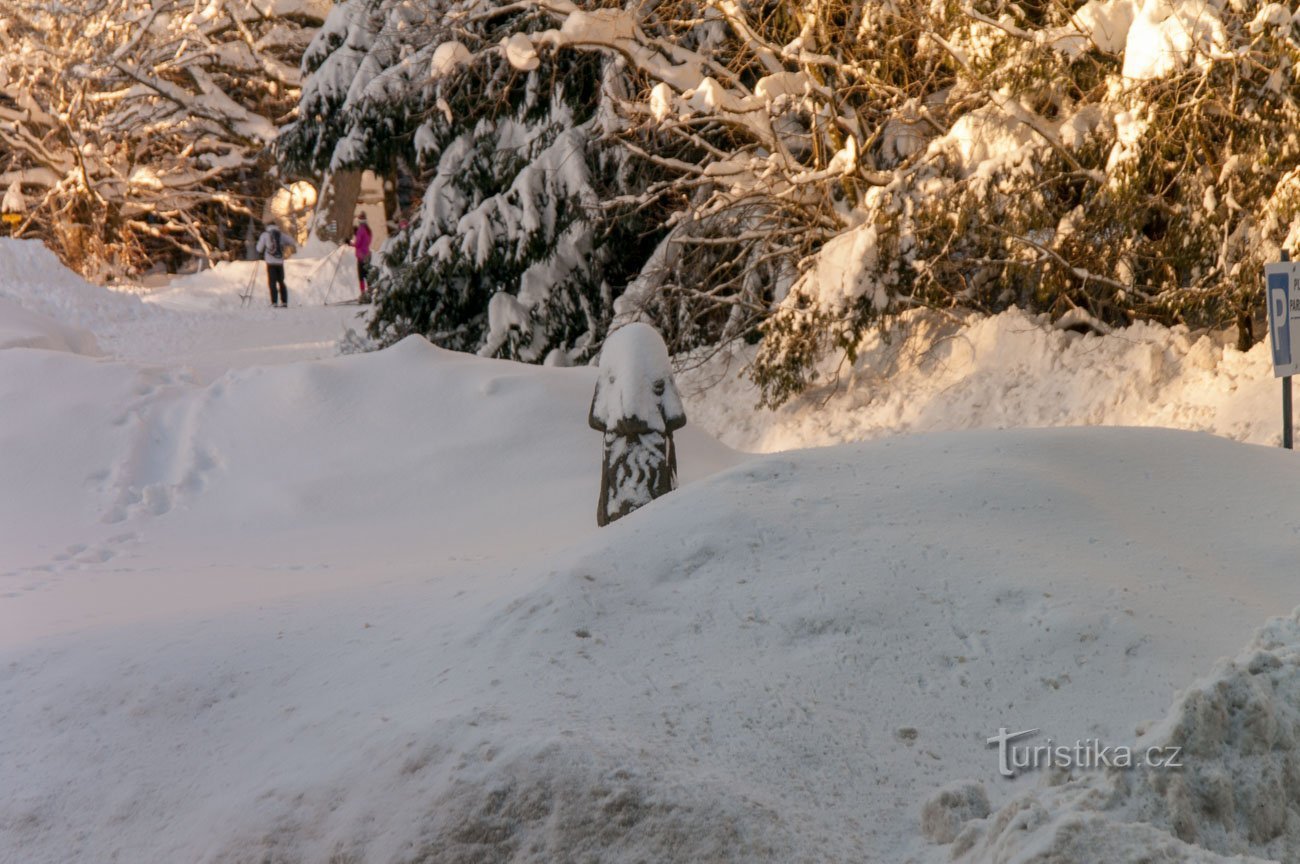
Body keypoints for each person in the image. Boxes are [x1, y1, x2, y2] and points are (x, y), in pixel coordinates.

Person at [255, 222, 295, 308]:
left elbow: (259, 249)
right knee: (281, 282)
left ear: (267, 226)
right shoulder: (281, 235)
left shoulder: (265, 235)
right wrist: (283, 244)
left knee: (272, 282)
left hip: (270, 263)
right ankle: (284, 302)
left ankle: (274, 302)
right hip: (280, 262)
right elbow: (292, 241)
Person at [349, 212, 373, 303]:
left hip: (361, 257)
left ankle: (363, 295)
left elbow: (357, 244)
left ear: (359, 221)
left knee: (361, 277)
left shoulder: (361, 230)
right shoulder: (368, 230)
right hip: (367, 255)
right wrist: (357, 234)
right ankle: (370, 294)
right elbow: (365, 242)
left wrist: (349, 242)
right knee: (368, 276)